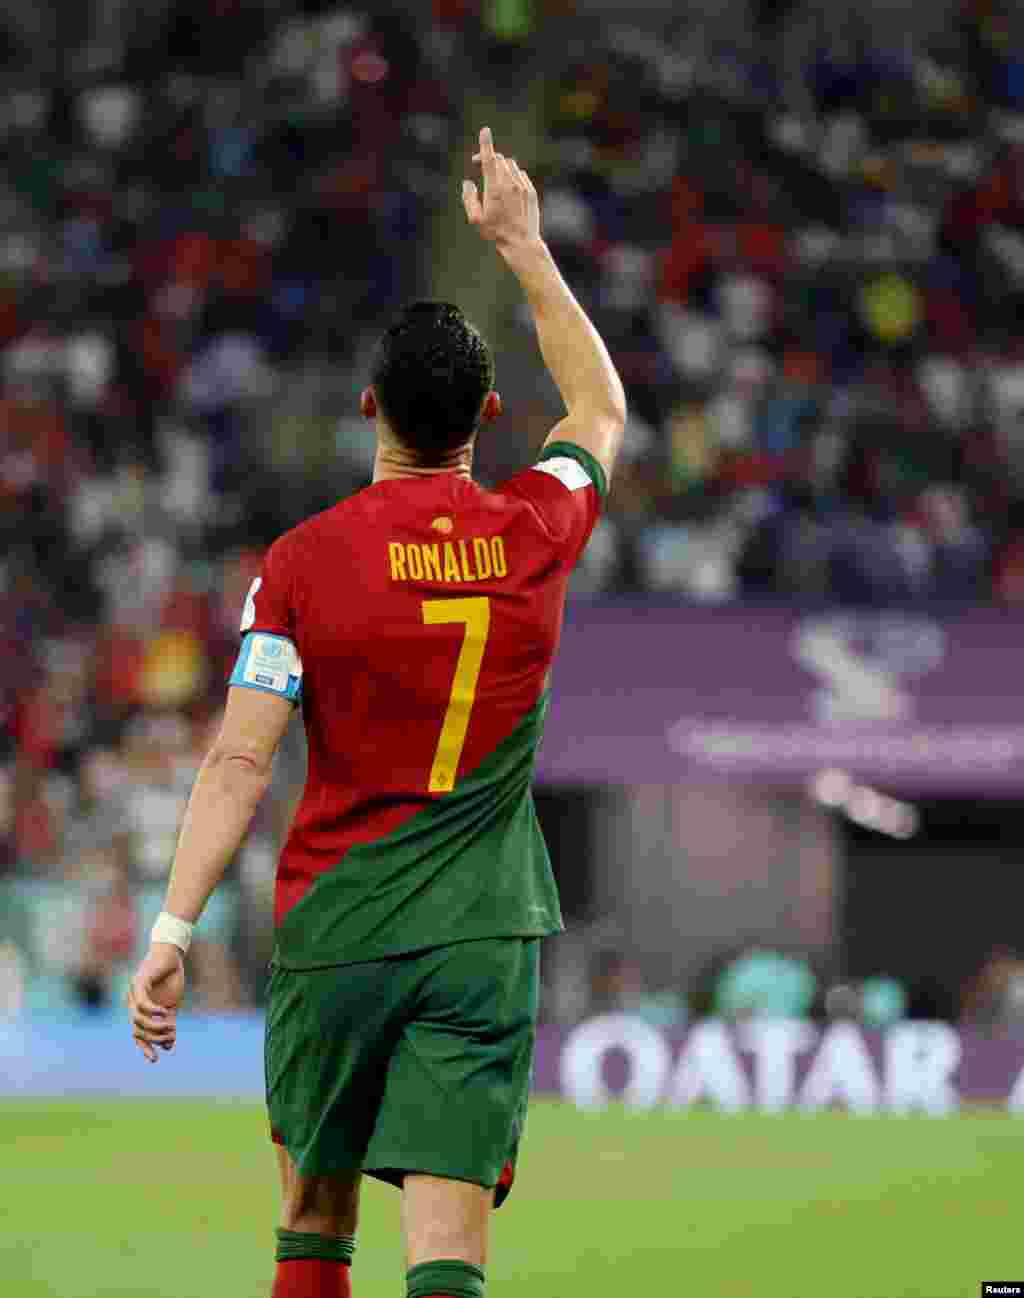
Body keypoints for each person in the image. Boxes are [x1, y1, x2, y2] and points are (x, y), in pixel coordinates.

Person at [126, 125, 626, 1298]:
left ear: (368, 406)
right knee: (448, 1250)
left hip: (336, 927)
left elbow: (240, 763)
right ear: (489, 411)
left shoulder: (301, 565)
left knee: (312, 1217)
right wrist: (525, 249)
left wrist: (172, 930)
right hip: (480, 936)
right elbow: (598, 411)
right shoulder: (531, 532)